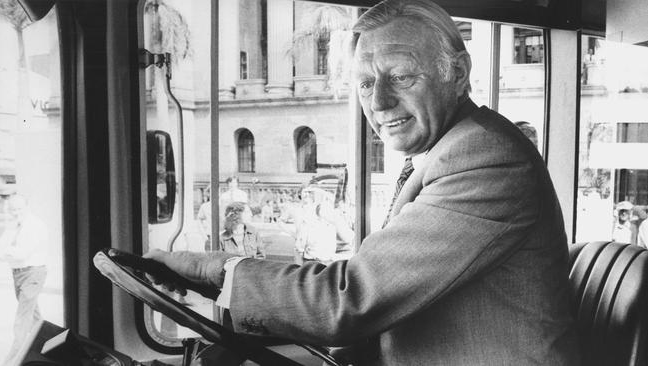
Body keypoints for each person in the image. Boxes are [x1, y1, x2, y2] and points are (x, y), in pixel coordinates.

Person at [145, 0, 579, 364]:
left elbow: (349, 299)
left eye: (401, 77)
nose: (379, 101)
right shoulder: (442, 150)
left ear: (458, 73)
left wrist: (212, 268)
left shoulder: (484, 156)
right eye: (366, 83)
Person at [0, 194, 48, 366]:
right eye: (12, 210)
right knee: (34, 316)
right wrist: (10, 251)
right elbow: (1, 249)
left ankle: (12, 361)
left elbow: (22, 253)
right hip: (18, 273)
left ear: (27, 207)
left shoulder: (36, 226)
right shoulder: (13, 226)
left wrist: (9, 251)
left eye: (19, 209)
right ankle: (51, 344)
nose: (16, 212)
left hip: (33, 273)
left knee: (22, 318)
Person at [197, 186, 212, 251]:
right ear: (208, 194)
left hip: (222, 237)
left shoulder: (223, 205)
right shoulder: (205, 206)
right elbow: (199, 221)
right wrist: (204, 236)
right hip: (209, 236)